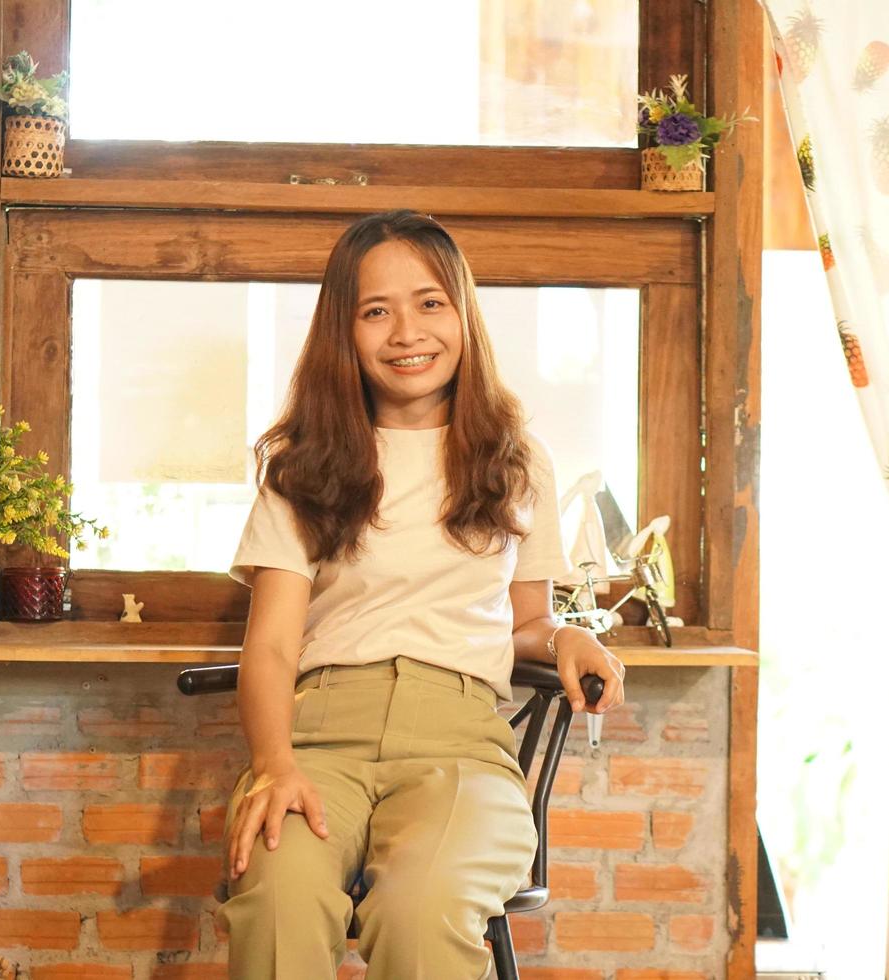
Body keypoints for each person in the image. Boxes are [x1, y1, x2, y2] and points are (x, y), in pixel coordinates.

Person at [218, 209, 627, 979]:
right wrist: (275, 765)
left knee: (420, 908)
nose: (406, 331)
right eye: (376, 311)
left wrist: (567, 637)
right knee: (275, 897)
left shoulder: (515, 458)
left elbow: (527, 622)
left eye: (429, 303)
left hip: (461, 748)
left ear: (463, 312)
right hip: (316, 741)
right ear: (344, 330)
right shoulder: (301, 464)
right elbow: (270, 645)